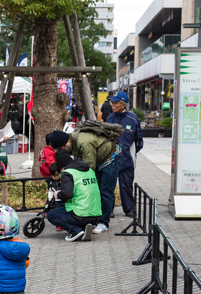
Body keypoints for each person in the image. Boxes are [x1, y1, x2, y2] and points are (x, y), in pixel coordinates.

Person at [69, 127, 120, 233]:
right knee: (96, 190)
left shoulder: (83, 142)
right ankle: (95, 219)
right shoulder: (74, 139)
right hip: (100, 158)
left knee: (105, 191)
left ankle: (103, 223)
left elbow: (89, 166)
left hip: (112, 157)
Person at [47, 149, 101, 242]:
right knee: (74, 208)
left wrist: (58, 194)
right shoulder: (90, 170)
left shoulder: (68, 173)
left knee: (51, 215)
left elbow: (67, 194)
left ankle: (75, 231)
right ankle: (85, 226)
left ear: (62, 167)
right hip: (95, 213)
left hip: (79, 213)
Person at [105, 91, 143, 219]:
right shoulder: (110, 118)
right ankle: (108, 209)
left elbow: (139, 141)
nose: (112, 105)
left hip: (126, 159)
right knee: (109, 185)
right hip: (110, 158)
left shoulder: (132, 119)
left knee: (126, 184)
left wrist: (129, 152)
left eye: (115, 103)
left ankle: (129, 208)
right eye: (112, 102)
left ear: (123, 104)